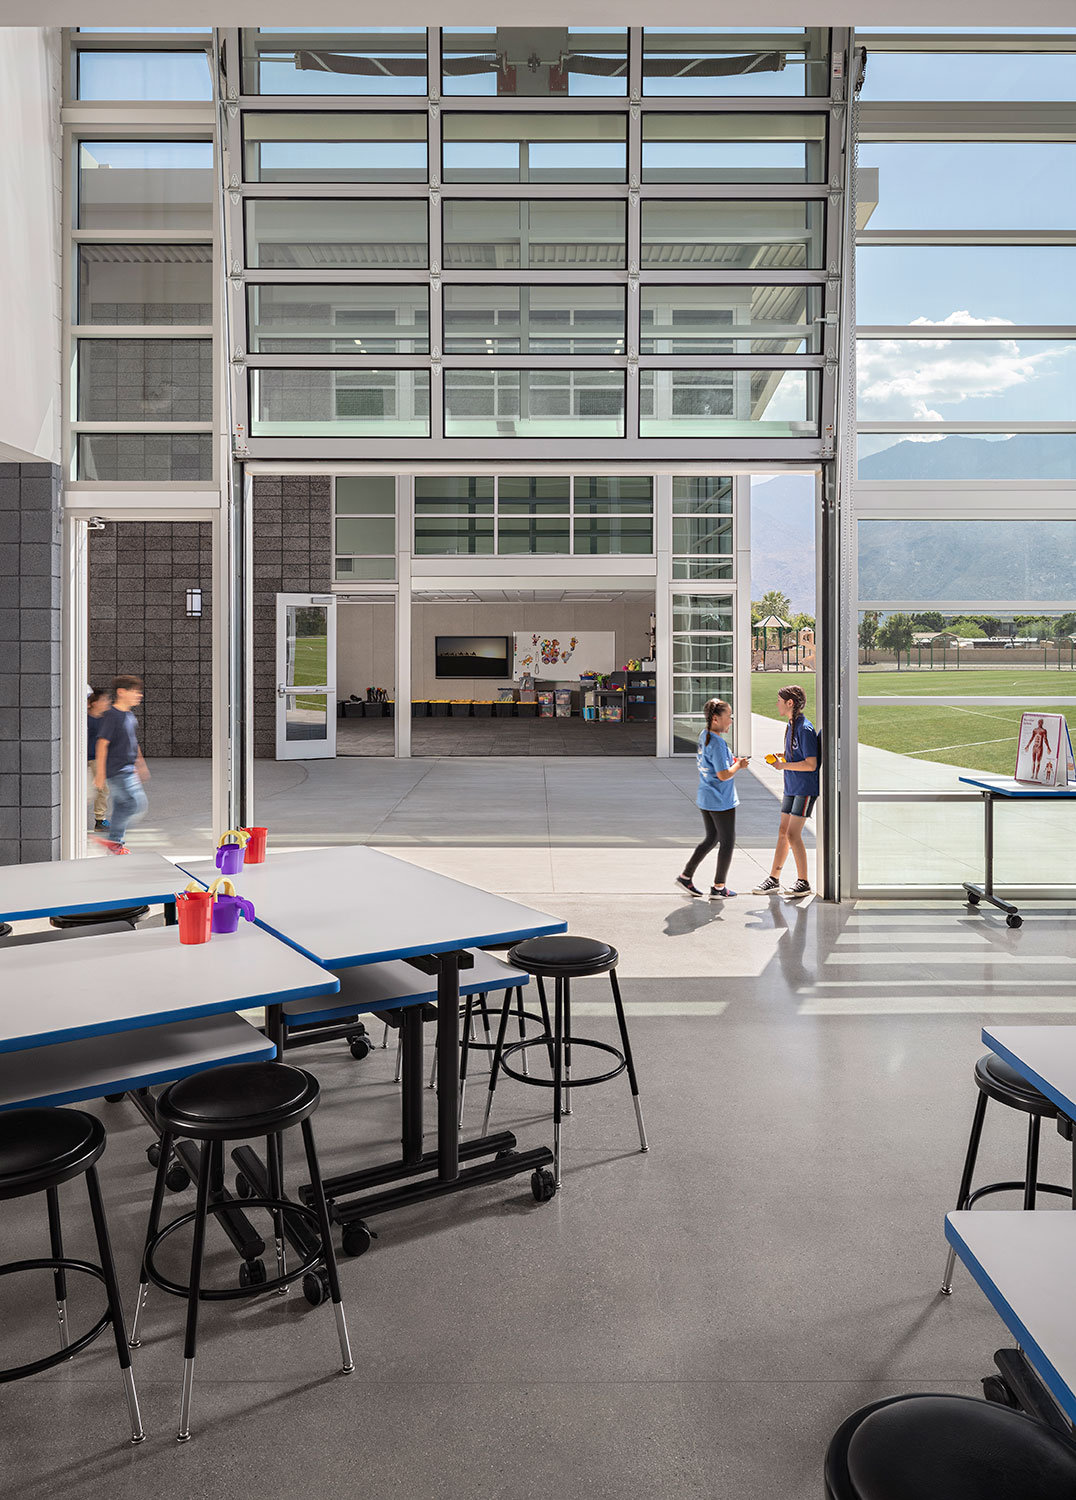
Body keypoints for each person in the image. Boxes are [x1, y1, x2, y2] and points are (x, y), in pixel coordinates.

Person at [676, 698, 749, 899]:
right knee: (727, 841)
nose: (731, 721)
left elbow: (716, 764)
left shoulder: (704, 735)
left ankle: (686, 875)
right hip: (720, 800)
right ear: (716, 718)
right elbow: (723, 774)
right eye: (729, 717)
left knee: (712, 838)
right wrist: (739, 766)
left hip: (706, 797)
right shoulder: (716, 742)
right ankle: (719, 887)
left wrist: (732, 761)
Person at [753, 684, 819, 898]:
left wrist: (784, 765)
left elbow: (810, 764)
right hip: (791, 786)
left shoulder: (805, 728)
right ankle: (773, 879)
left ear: (790, 703)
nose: (776, 704)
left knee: (792, 834)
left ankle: (803, 881)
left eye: (779, 700)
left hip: (804, 788)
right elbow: (797, 754)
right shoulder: (791, 725)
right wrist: (784, 757)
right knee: (783, 832)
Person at [92, 674, 149, 855]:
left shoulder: (129, 716)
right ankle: (113, 839)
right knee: (135, 804)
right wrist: (100, 774)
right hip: (116, 770)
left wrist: (140, 763)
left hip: (128, 768)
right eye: (135, 692)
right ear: (121, 692)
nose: (139, 695)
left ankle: (115, 843)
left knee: (122, 805)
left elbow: (132, 741)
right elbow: (102, 743)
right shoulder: (112, 716)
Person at [87, 687, 111, 831]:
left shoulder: (105, 720)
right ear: (94, 703)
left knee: (103, 789)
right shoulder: (83, 719)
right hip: (82, 759)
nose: (107, 702)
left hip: (97, 759)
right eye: (104, 699)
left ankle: (100, 820)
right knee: (84, 792)